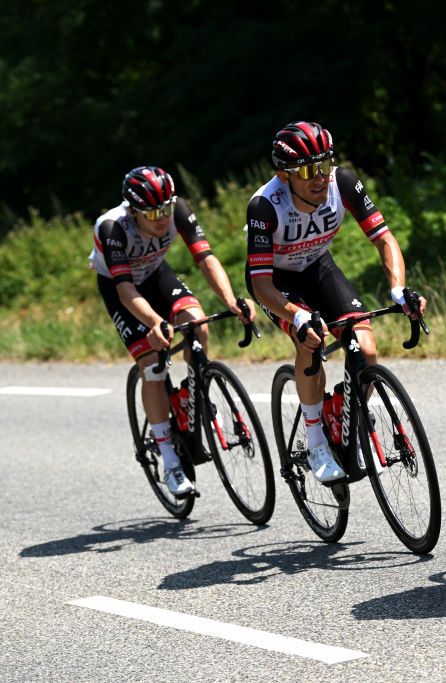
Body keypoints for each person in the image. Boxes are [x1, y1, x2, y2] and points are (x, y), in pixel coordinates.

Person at [246, 120, 425, 484]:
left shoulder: (341, 183)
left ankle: (347, 417)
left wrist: (397, 289)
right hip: (277, 283)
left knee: (367, 350)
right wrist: (296, 316)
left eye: (325, 165)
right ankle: (316, 442)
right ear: (284, 175)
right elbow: (260, 282)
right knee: (310, 341)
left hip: (318, 267)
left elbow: (384, 239)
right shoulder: (265, 206)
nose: (320, 178)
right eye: (310, 170)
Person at [90, 166, 254, 496]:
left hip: (154, 275)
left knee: (197, 323)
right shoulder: (112, 227)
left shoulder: (177, 208)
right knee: (152, 363)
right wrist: (154, 323)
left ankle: (197, 397)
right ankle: (170, 460)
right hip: (121, 288)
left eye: (165, 208)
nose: (162, 218)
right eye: (152, 213)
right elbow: (124, 290)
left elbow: (206, 258)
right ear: (133, 210)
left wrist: (232, 299)